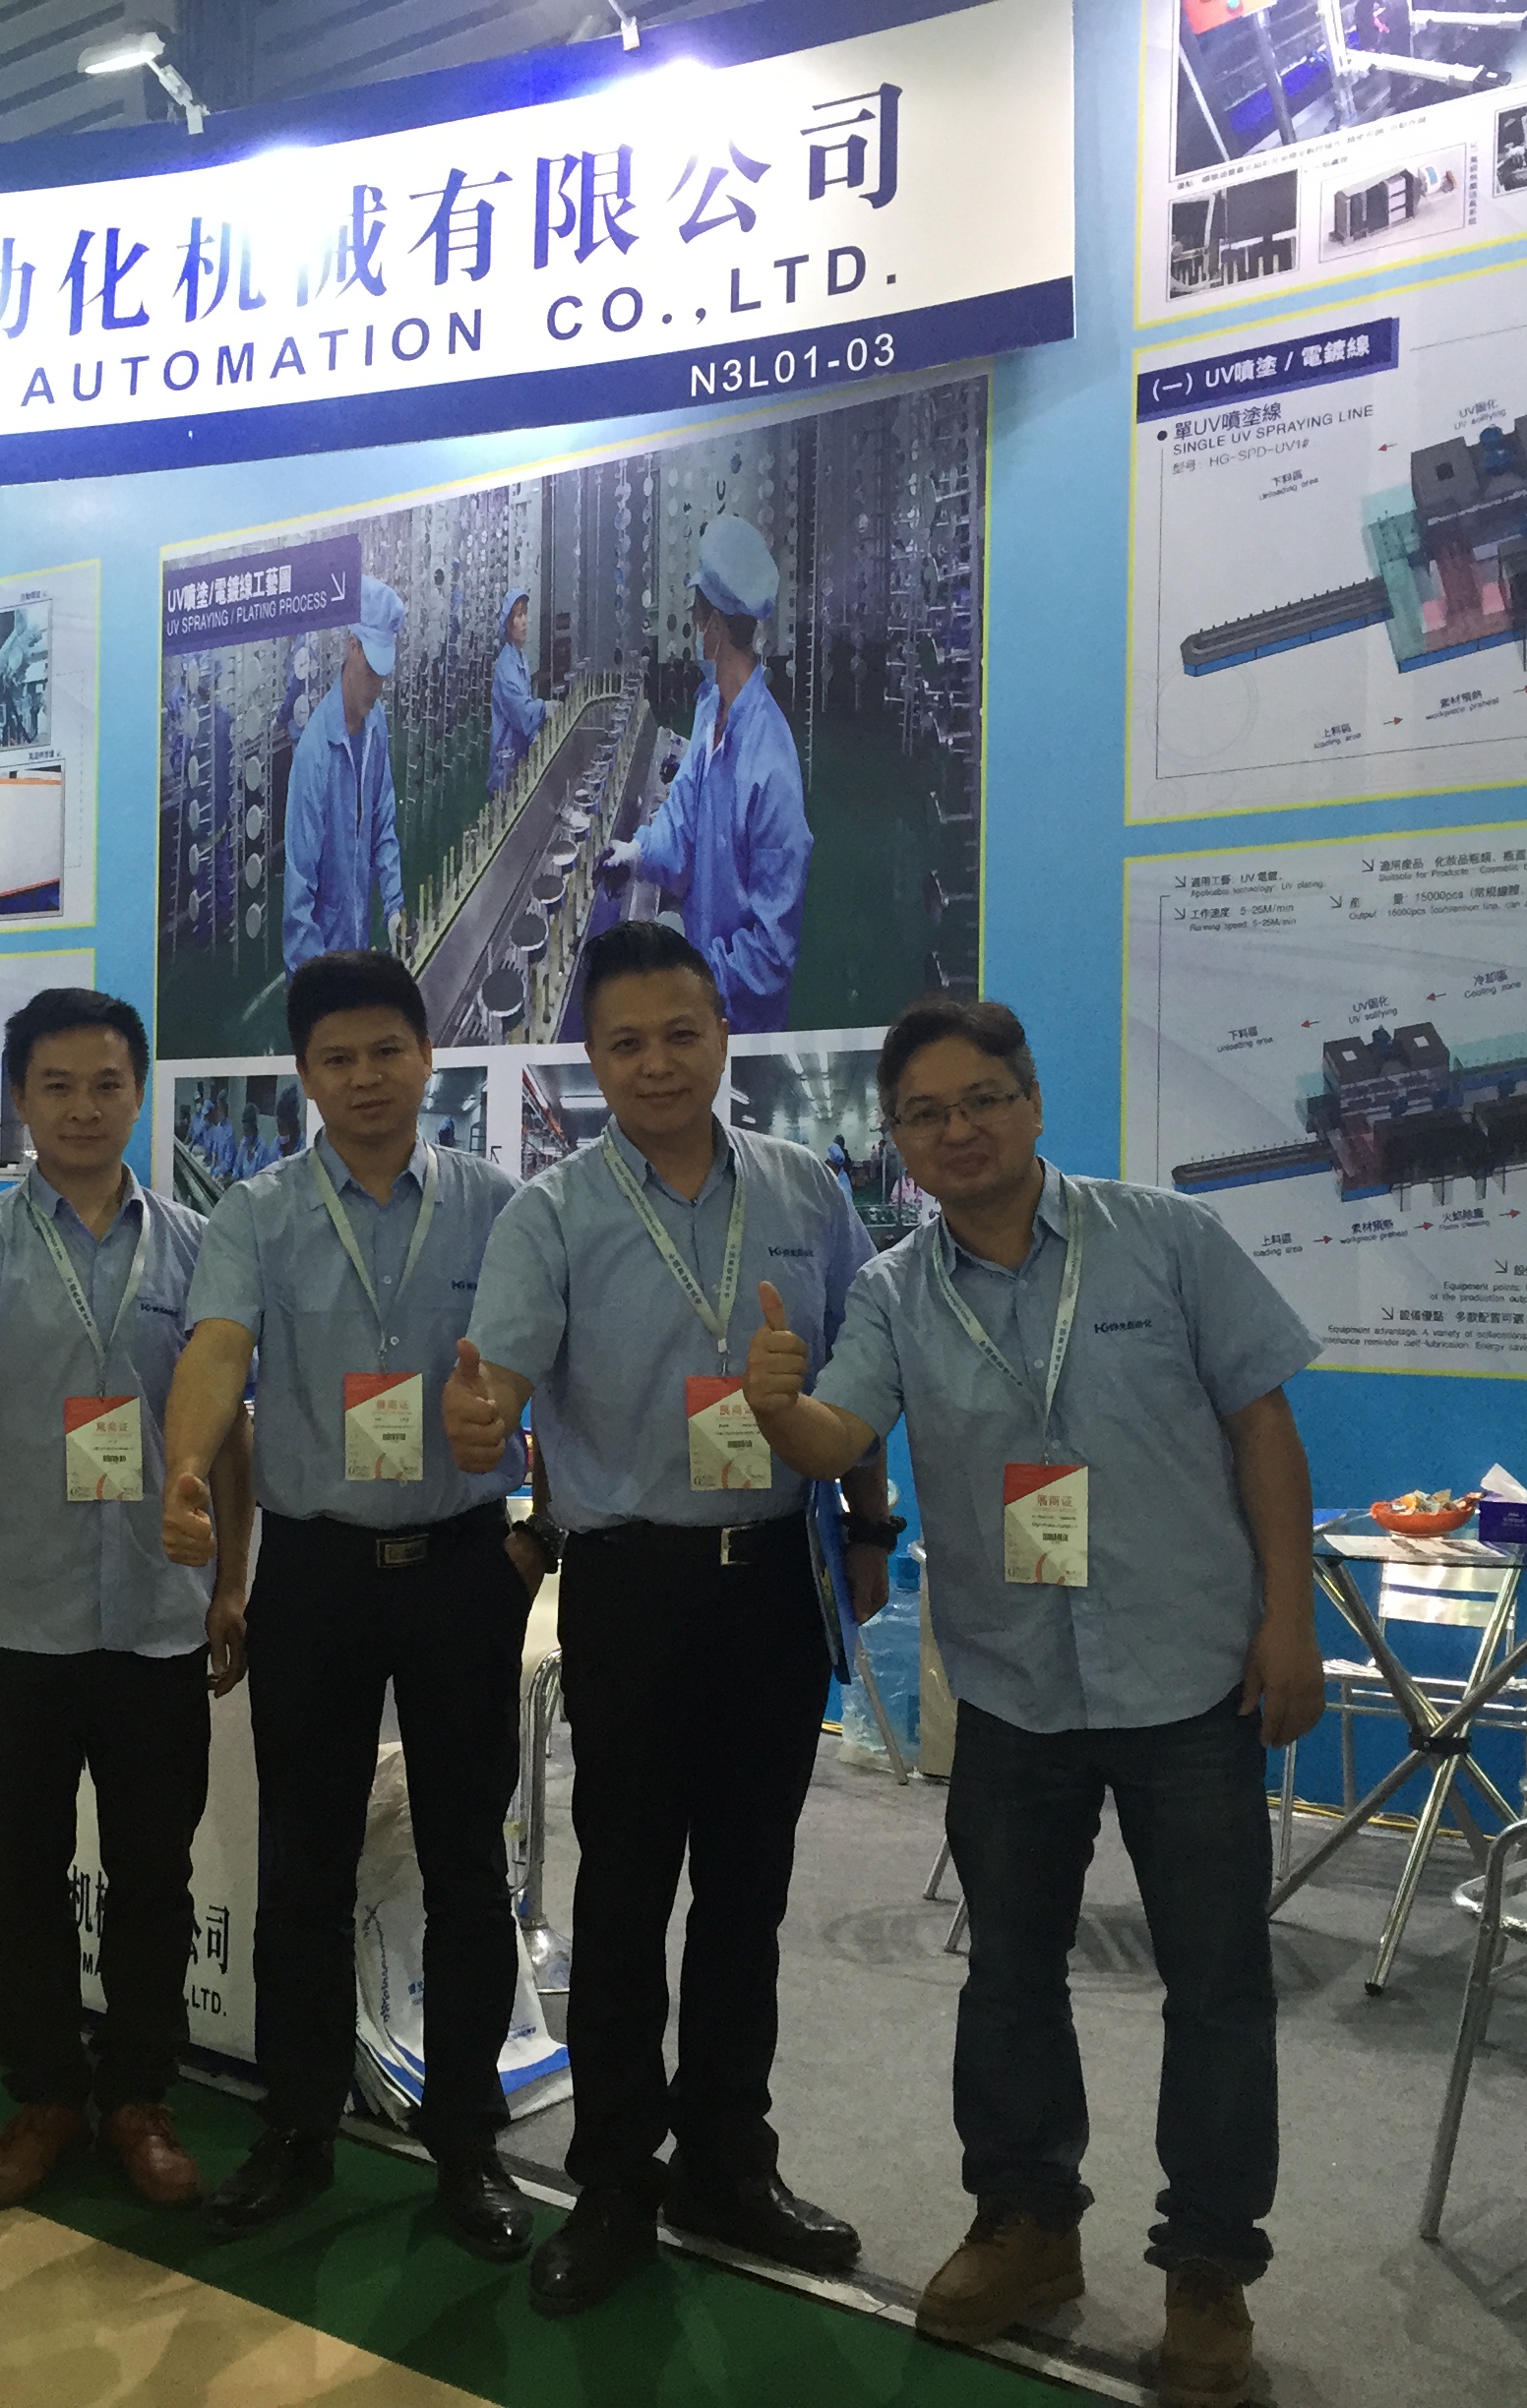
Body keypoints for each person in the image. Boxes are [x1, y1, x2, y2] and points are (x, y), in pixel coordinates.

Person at [741, 995, 1323, 2408]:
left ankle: (1208, 2269)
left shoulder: (1164, 1239)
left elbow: (1263, 1425)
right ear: (898, 1140)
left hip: (1186, 1674)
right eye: (925, 1114)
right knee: (1009, 1975)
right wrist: (775, 1409)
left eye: (981, 1100)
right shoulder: (894, 1292)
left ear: (1032, 1102)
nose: (958, 1131)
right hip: (1011, 1687)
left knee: (1217, 1983)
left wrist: (1289, 1618)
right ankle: (1025, 2225)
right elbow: (838, 1433)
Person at [445, 918, 895, 2317]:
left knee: (749, 1893)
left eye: (681, 1034)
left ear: (722, 1037)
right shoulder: (554, 1215)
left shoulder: (806, 1191)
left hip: (775, 1584)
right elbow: (498, 1378)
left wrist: (871, 1523)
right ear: (592, 1057)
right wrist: (480, 1416)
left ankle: (728, 2164)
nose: (657, 1063)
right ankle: (614, 2184)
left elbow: (861, 1374)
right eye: (627, 1042)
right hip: (631, 1587)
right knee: (628, 1891)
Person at [158, 948, 549, 2260]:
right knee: (305, 1867)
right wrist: (184, 1472)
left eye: (388, 1050)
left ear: (427, 1058)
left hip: (458, 1568)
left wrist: (539, 1526)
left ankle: (467, 2145)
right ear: (306, 1075)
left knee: (467, 1867)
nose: (367, 1078)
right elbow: (218, 1350)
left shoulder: (499, 1206)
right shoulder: (258, 1213)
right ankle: (297, 2128)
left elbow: (554, 1371)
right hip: (317, 1575)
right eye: (338, 1058)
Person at [0, 990, 255, 2213]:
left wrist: (231, 1582)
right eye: (55, 1085)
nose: (82, 1108)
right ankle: (46, 2095)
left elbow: (231, 1433)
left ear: (139, 1092)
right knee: (23, 1869)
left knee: (154, 1876)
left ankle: (139, 2098)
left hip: (158, 1619)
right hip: (19, 1620)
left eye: (107, 1084)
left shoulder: (202, 1246)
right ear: (21, 1098)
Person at [595, 516, 812, 1034]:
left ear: (714, 624)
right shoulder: (710, 708)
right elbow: (683, 817)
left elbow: (772, 950)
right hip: (698, 997)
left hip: (741, 1021)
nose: (694, 628)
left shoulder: (770, 765)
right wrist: (638, 853)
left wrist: (697, 978)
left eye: (697, 615)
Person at [282, 577, 407, 976]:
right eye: (371, 671)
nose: (378, 687)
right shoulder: (315, 753)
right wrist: (318, 983)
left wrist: (394, 906)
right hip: (319, 960)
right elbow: (299, 891)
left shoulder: (376, 726)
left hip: (357, 939)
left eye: (384, 674)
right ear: (352, 647)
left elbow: (382, 822)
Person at [489, 585, 548, 794]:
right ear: (508, 624)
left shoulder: (520, 659)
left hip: (519, 762)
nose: (523, 621)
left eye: (525, 614)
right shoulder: (506, 667)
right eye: (518, 615)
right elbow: (522, 714)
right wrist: (545, 708)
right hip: (506, 770)